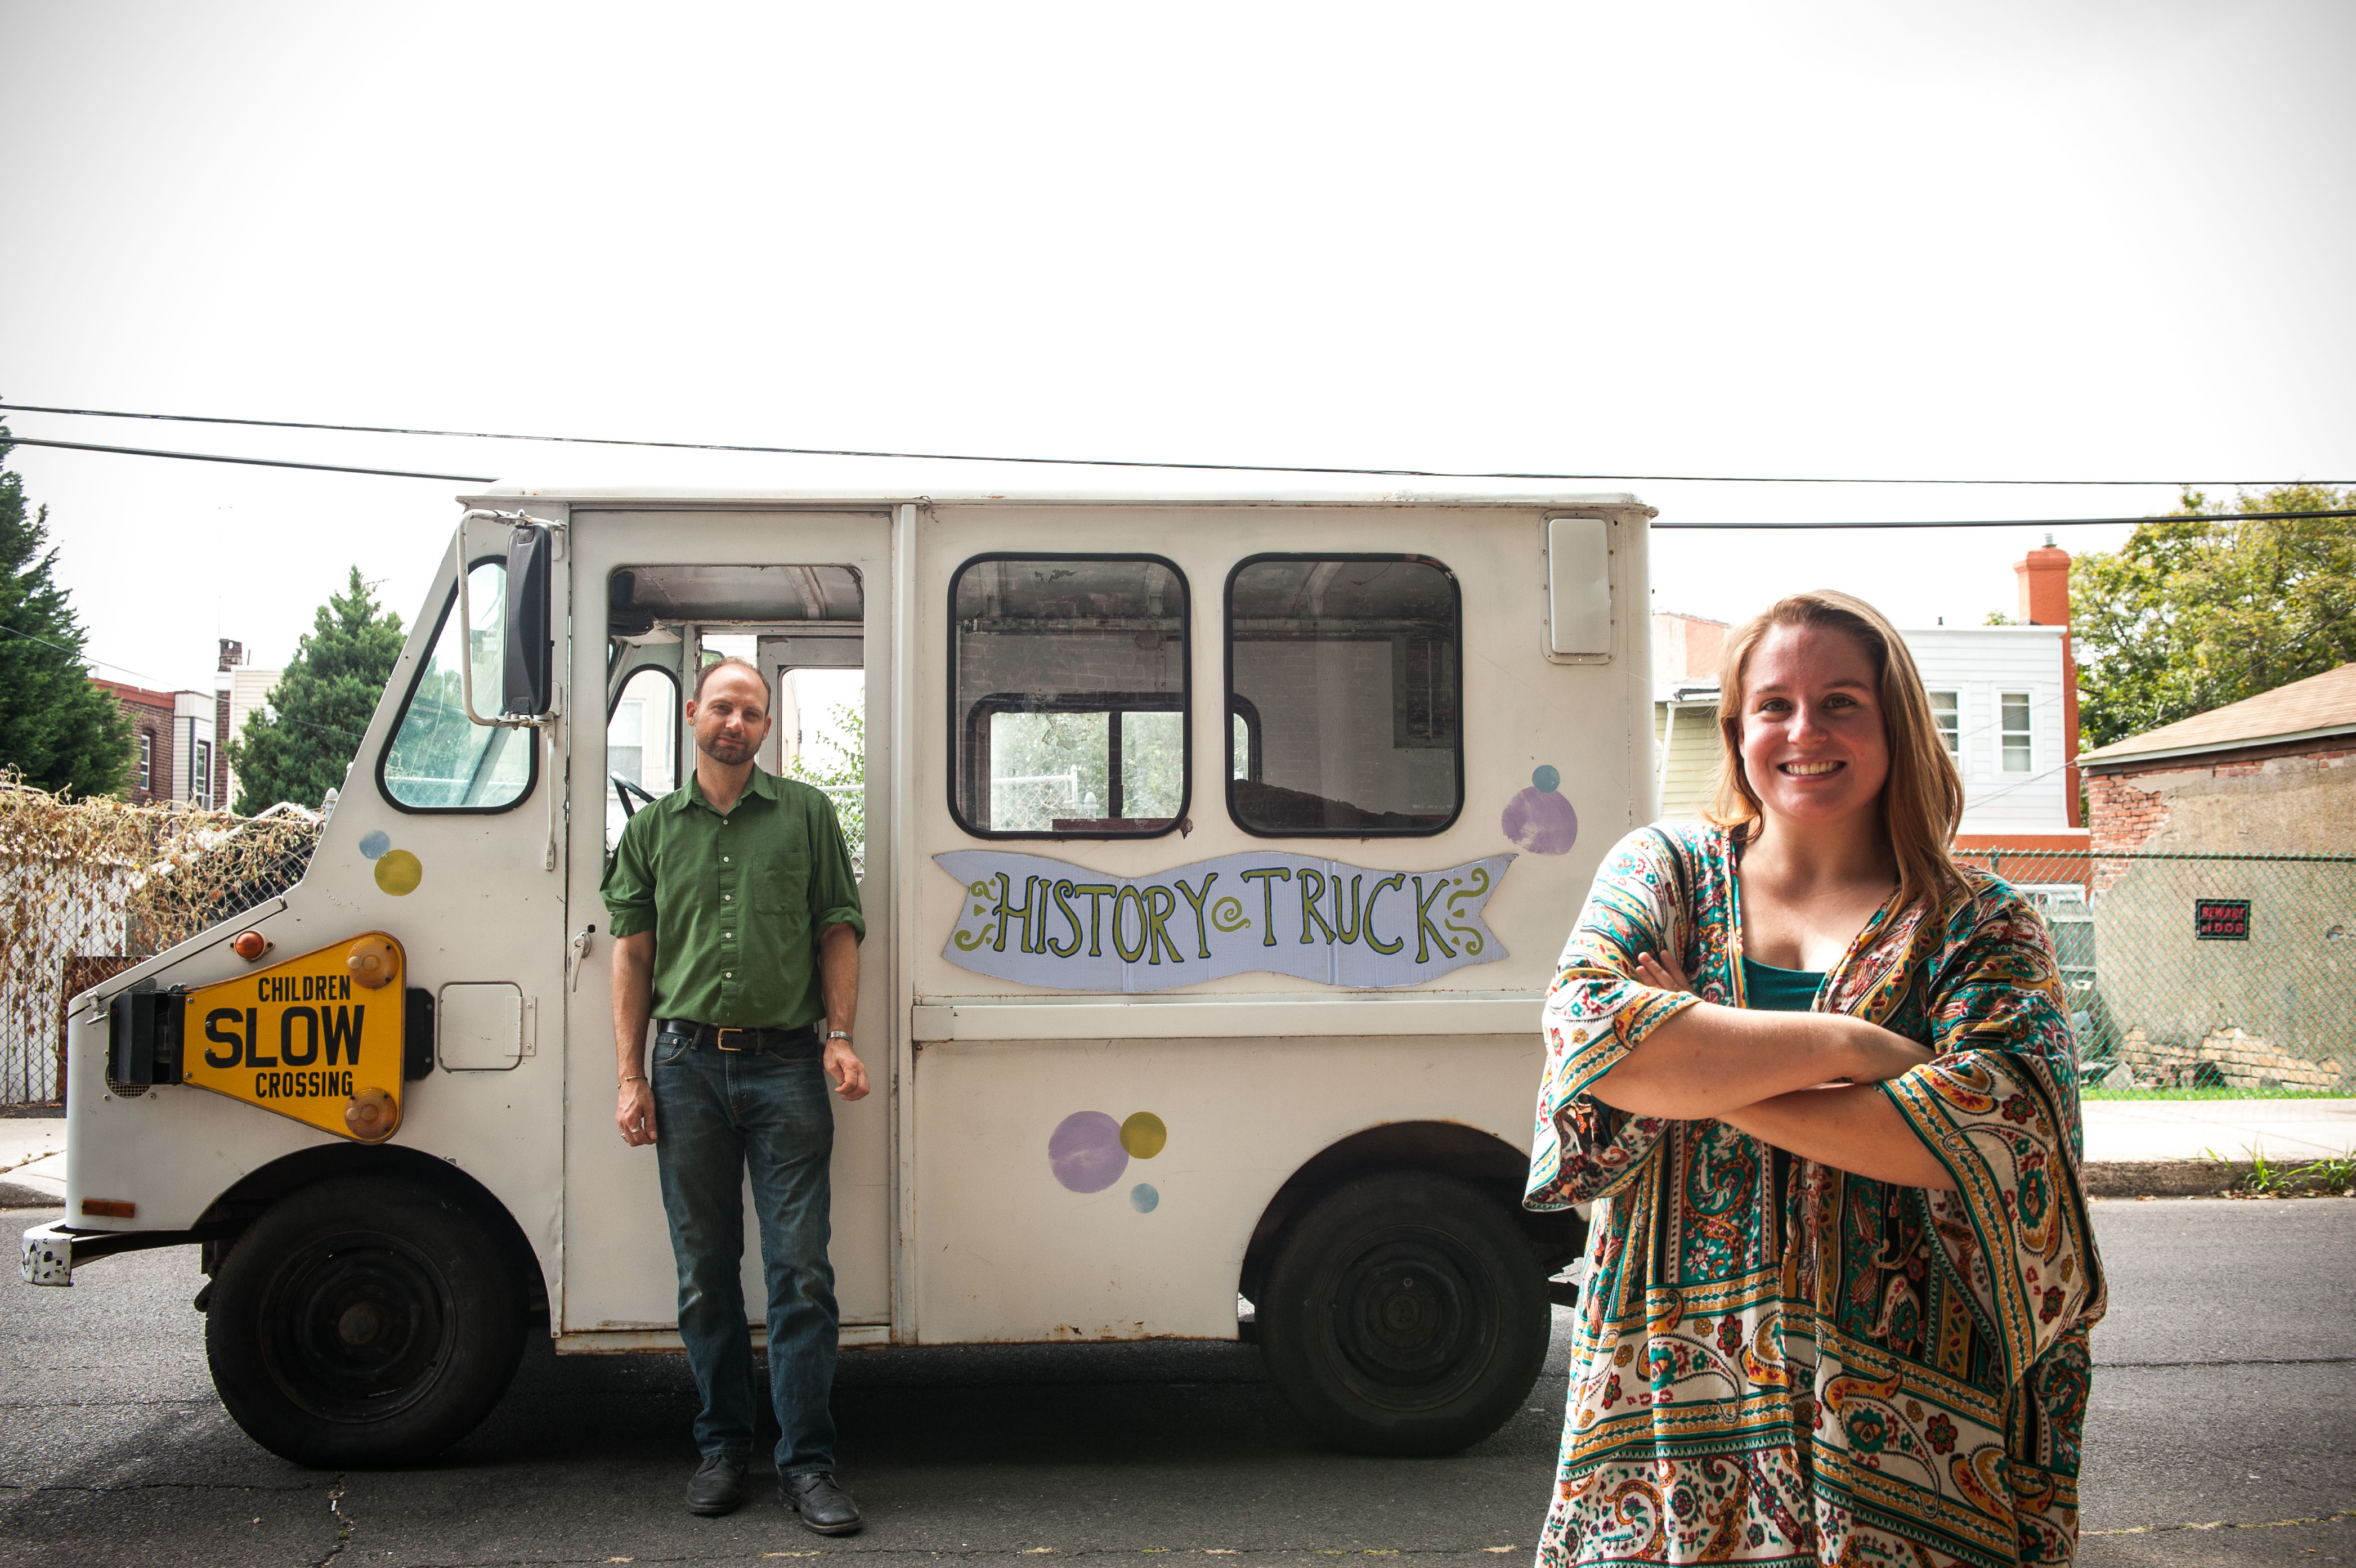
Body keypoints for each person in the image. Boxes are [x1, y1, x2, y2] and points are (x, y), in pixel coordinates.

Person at [1524, 591, 2105, 1566]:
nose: (1805, 731)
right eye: (1774, 705)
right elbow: (1589, 1034)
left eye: (1841, 701)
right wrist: (1854, 1047)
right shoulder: (1660, 871)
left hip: (1909, 1410)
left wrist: (1690, 1065)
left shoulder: (1979, 924)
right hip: (1666, 1392)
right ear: (1735, 727)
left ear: (1894, 725)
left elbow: (1983, 1130)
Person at [604, 656, 870, 1531]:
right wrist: (630, 1075)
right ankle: (722, 1448)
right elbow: (633, 955)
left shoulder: (806, 815)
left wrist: (839, 1036)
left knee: (801, 1272)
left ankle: (807, 1464)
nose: (735, 723)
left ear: (764, 726)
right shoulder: (653, 832)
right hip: (683, 1065)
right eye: (722, 706)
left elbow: (838, 928)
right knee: (705, 1274)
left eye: (751, 712)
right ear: (691, 713)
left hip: (789, 1066)